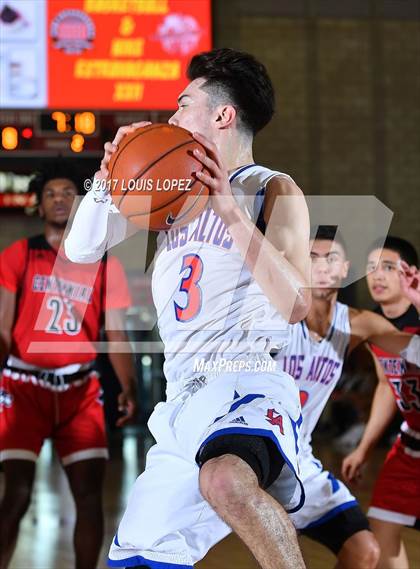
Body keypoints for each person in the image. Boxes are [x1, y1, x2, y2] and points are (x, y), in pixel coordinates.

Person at [66, 48, 312, 569]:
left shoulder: (271, 189)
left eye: (183, 104)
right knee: (133, 561)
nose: (172, 117)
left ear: (222, 115)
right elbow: (80, 250)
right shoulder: (171, 192)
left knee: (223, 478)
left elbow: (296, 304)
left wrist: (229, 211)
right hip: (180, 404)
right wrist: (106, 179)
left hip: (243, 382)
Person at [0, 161, 138, 569]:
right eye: (50, 194)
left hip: (80, 390)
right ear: (38, 206)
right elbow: (3, 330)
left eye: (67, 194)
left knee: (89, 494)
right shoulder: (18, 255)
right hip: (24, 387)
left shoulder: (105, 265)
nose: (60, 200)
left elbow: (115, 333)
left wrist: (128, 385)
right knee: (18, 494)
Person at [273, 226, 420, 569]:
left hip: (298, 459)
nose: (322, 267)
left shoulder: (359, 323)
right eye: (311, 258)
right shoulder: (272, 316)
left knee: (364, 550)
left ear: (345, 270)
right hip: (248, 451)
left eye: (331, 259)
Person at [342, 236, 420, 569]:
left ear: (411, 274)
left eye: (388, 267)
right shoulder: (374, 324)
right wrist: (363, 448)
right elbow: (387, 387)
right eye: (371, 267)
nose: (377, 275)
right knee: (382, 527)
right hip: (410, 442)